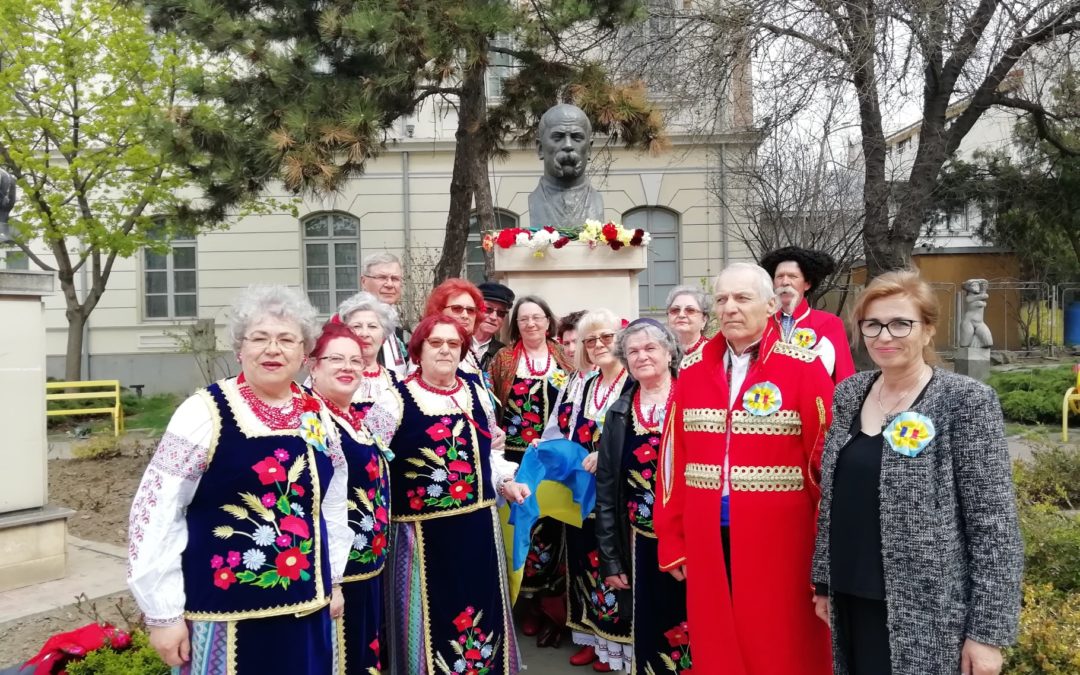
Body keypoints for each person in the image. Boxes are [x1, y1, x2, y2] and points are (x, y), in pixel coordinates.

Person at [128, 285, 352, 672]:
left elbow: (331, 499)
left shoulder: (316, 415)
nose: (272, 349)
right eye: (259, 338)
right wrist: (162, 615)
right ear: (239, 349)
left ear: (303, 354)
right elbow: (156, 511)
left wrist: (332, 579)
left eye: (286, 340)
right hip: (224, 618)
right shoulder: (203, 413)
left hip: (307, 613)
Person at [812, 270, 1023, 675]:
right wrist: (823, 582)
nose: (884, 336)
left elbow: (994, 526)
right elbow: (833, 498)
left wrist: (987, 634)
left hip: (928, 609)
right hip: (850, 597)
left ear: (927, 330)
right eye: (872, 324)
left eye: (900, 323)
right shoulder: (850, 393)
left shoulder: (964, 401)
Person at [654, 262, 835, 675]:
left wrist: (826, 555)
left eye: (742, 298)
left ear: (772, 304)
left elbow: (828, 468)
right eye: (721, 299)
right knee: (716, 637)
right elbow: (672, 460)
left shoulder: (804, 368)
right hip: (706, 535)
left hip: (784, 540)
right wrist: (672, 535)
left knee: (781, 639)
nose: (729, 308)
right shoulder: (693, 369)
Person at [363, 315, 530, 675]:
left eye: (453, 344)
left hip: (479, 529)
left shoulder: (478, 393)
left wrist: (505, 482)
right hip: (421, 537)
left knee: (483, 609)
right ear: (418, 351)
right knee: (429, 617)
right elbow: (368, 463)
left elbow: (488, 453)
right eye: (435, 343)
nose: (445, 350)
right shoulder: (393, 401)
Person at [537, 309, 631, 671]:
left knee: (611, 562)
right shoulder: (586, 384)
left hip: (614, 493)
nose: (597, 345)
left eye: (605, 337)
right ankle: (594, 637)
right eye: (590, 340)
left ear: (619, 339)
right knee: (581, 562)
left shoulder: (631, 383)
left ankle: (618, 642)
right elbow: (563, 429)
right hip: (580, 491)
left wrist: (602, 453)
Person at [487, 295, 574, 645]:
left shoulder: (564, 355)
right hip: (516, 459)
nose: (531, 324)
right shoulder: (504, 359)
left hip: (552, 459)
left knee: (552, 527)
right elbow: (491, 404)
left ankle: (548, 603)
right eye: (524, 319)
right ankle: (523, 601)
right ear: (516, 325)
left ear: (548, 321)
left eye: (537, 317)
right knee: (522, 525)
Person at [308, 322, 390, 674]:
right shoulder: (312, 418)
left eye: (355, 361)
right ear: (314, 365)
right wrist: (333, 580)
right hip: (340, 571)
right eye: (336, 359)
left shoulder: (352, 417)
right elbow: (318, 501)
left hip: (367, 567)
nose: (348, 367)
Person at [760, 246, 855, 382]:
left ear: (807, 284)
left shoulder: (829, 323)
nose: (785, 282)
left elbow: (844, 375)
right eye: (779, 276)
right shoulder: (761, 322)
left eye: (792, 276)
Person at [528, 103, 605, 228]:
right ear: (541, 148)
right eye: (558, 137)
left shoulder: (597, 201)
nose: (568, 145)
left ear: (589, 149)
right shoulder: (534, 201)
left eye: (576, 137)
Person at [337, 291, 399, 418]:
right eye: (357, 326)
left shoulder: (398, 382)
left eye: (372, 326)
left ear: (384, 335)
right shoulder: (327, 375)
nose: (364, 333)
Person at [424, 278, 487, 376]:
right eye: (457, 309)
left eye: (470, 310)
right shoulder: (429, 350)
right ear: (439, 311)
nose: (465, 315)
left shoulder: (469, 352)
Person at [360, 252, 409, 378]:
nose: (389, 284)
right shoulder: (351, 323)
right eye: (382, 277)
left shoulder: (393, 321)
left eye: (395, 279)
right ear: (364, 282)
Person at [664, 285, 711, 368]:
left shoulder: (715, 352)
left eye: (690, 310)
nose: (681, 315)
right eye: (675, 310)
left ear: (704, 319)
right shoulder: (658, 352)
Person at [473, 282, 515, 371]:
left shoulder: (504, 354)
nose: (493, 317)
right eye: (488, 309)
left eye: (501, 313)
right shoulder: (455, 343)